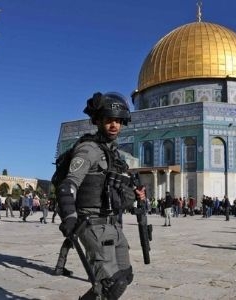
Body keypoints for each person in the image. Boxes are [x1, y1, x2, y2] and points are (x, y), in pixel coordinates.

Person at [55, 91, 145, 299]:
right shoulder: (88, 149)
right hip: (93, 224)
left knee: (124, 276)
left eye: (118, 121)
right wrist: (69, 216)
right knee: (108, 284)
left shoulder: (114, 155)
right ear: (98, 121)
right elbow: (68, 185)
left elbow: (115, 190)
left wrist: (135, 195)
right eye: (109, 120)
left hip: (113, 224)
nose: (114, 125)